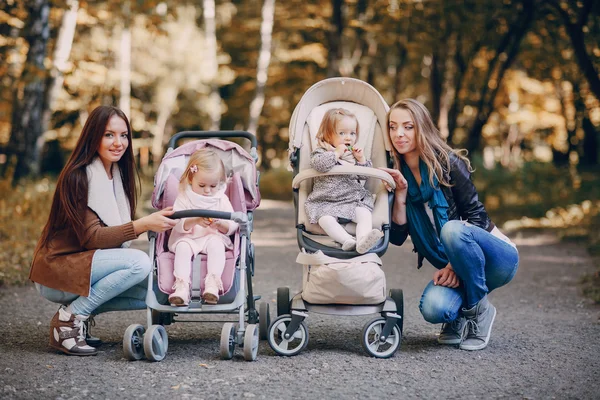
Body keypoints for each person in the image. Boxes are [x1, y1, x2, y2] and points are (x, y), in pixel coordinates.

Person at [30, 105, 177, 356]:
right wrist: (142, 225)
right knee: (139, 263)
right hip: (59, 270)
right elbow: (92, 238)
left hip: (86, 266)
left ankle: (81, 313)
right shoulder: (79, 177)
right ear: (93, 136)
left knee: (159, 291)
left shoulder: (116, 174)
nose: (118, 142)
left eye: (124, 135)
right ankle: (69, 319)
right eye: (108, 135)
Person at [380, 99, 519, 351]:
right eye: (392, 126)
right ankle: (460, 316)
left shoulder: (448, 163)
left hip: (497, 258)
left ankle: (479, 313)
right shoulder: (394, 171)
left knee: (451, 229)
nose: (399, 133)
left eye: (408, 126)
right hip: (454, 265)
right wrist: (400, 195)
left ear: (421, 128)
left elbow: (477, 217)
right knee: (434, 308)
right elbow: (398, 236)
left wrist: (454, 264)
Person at [305, 108, 383, 254]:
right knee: (325, 220)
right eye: (342, 133)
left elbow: (364, 176)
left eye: (352, 133)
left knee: (364, 214)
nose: (348, 138)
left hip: (351, 200)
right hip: (326, 201)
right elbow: (320, 165)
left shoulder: (353, 156)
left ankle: (362, 241)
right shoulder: (321, 152)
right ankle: (346, 240)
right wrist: (336, 154)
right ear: (327, 135)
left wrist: (361, 160)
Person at [167, 149, 238, 306]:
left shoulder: (220, 199)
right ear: (191, 178)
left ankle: (212, 284)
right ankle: (181, 287)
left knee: (216, 245)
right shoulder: (184, 197)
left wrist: (221, 224)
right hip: (188, 237)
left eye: (213, 185)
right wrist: (195, 220)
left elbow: (233, 223)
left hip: (212, 236)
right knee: (183, 249)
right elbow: (177, 223)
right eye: (202, 185)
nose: (207, 190)